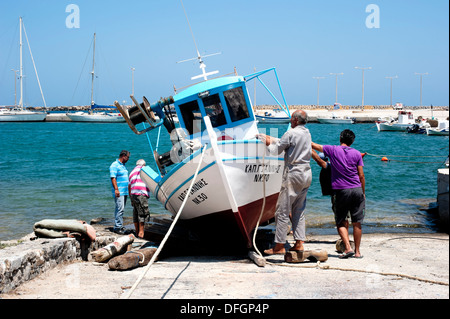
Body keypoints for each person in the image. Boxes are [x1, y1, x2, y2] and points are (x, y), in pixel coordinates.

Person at [257, 110, 312, 255]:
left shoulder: (291, 133)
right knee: (299, 210)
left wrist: (266, 142)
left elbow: (276, 151)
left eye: (291, 118)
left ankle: (279, 246)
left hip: (294, 174)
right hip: (307, 173)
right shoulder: (307, 133)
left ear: (294, 120)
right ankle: (299, 243)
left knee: (282, 210)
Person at [312, 129, 366, 259]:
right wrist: (363, 192)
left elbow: (315, 146)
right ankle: (357, 252)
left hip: (342, 190)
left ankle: (348, 248)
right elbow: (361, 175)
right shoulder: (357, 153)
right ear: (352, 141)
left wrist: (303, 139)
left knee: (341, 221)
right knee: (357, 222)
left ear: (340, 138)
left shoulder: (333, 150)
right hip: (357, 189)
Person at [110, 150, 130, 235]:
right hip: (119, 191)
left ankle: (120, 225)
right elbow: (113, 178)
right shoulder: (114, 165)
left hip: (124, 191)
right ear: (123, 156)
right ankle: (117, 227)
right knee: (120, 208)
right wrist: (116, 189)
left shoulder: (123, 166)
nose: (128, 159)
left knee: (121, 208)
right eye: (128, 157)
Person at [129, 159, 151, 238]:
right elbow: (153, 177)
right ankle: (141, 233)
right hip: (141, 194)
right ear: (143, 164)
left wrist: (131, 198)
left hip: (133, 194)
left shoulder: (131, 172)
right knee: (143, 213)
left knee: (136, 212)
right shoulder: (144, 169)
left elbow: (129, 186)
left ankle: (137, 231)